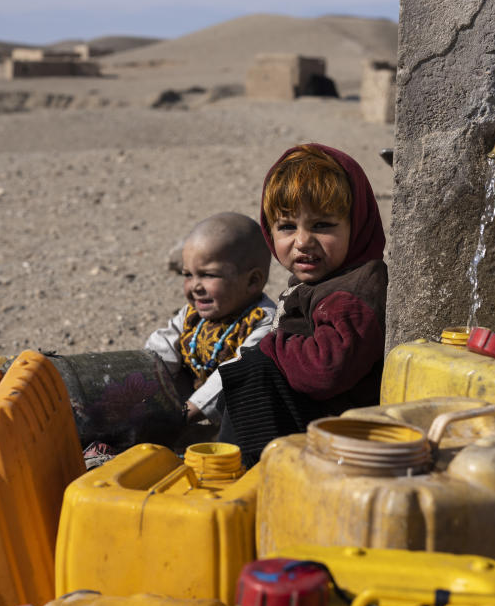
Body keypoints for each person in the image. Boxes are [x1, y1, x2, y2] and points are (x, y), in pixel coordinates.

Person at [217, 144, 387, 466]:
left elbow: (326, 370)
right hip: (311, 419)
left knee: (255, 370)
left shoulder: (352, 293)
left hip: (337, 436)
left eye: (323, 225)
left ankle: (242, 470)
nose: (303, 241)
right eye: (287, 226)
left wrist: (271, 347)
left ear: (358, 223)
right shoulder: (323, 280)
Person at [144, 211, 276, 431]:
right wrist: (136, 387)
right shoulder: (193, 315)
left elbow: (230, 376)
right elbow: (160, 350)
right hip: (191, 407)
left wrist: (180, 417)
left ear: (253, 281)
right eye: (188, 275)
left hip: (237, 418)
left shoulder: (263, 321)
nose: (195, 286)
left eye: (209, 275)